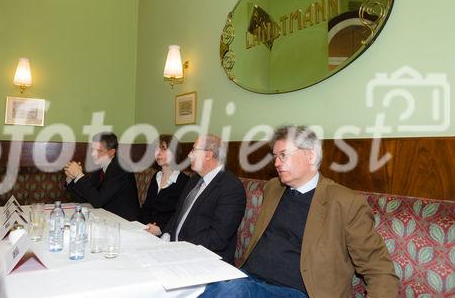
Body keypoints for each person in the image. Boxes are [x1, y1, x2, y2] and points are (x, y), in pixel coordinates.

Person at [200, 125, 399, 298]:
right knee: (206, 281)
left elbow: (378, 267)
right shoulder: (273, 188)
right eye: (275, 157)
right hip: (250, 279)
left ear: (310, 155)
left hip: (297, 291)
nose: (276, 163)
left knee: (235, 292)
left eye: (283, 155)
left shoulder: (345, 202)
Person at [148, 134, 246, 264]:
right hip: (175, 252)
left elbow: (217, 238)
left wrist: (178, 247)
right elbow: (178, 215)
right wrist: (165, 239)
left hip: (205, 261)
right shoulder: (194, 180)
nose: (189, 155)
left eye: (194, 150)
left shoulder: (230, 188)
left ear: (208, 155)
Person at [64, 132, 140, 221]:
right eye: (93, 150)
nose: (93, 154)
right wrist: (72, 178)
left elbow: (97, 201)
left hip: (125, 221)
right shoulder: (100, 167)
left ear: (111, 152)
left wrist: (79, 175)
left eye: (99, 151)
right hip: (107, 217)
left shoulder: (120, 169)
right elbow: (86, 198)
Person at [140, 134, 189, 233]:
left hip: (167, 233)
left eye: (163, 149)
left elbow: (180, 215)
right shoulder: (156, 176)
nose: (158, 153)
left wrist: (161, 229)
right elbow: (146, 207)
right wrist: (145, 225)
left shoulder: (183, 181)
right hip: (146, 229)